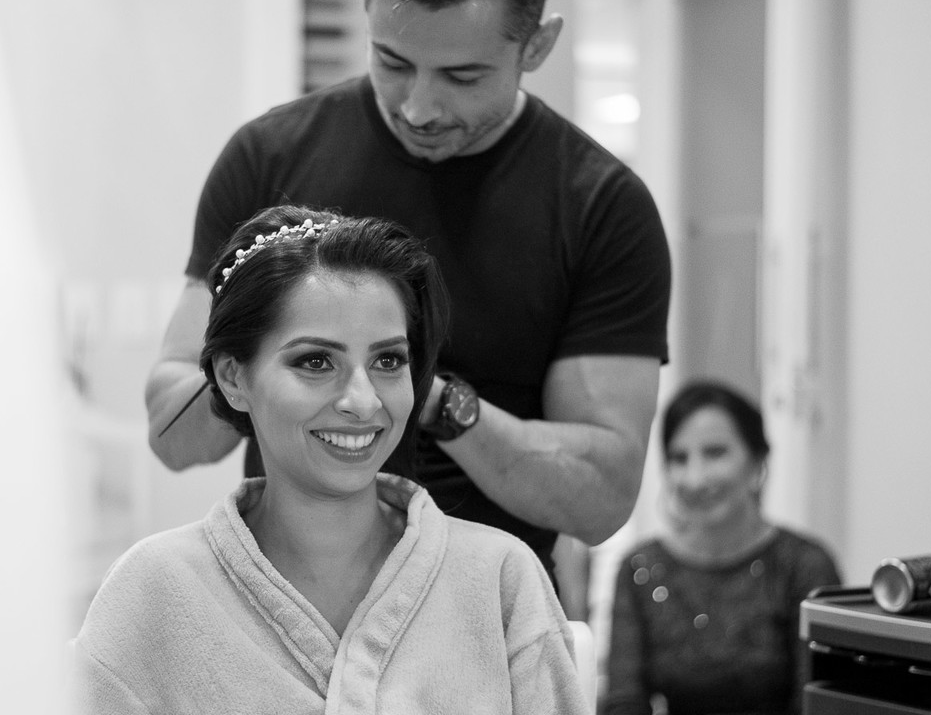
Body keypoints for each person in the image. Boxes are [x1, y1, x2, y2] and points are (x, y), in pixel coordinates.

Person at [144, 0, 671, 576]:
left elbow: (601, 499)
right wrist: (248, 362)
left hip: (481, 610)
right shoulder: (268, 159)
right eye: (393, 62)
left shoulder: (601, 207)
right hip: (280, 599)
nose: (419, 108)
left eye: (462, 75)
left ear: (536, 45)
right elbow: (172, 437)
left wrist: (428, 396)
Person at [77, 205, 590, 714]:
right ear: (234, 378)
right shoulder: (153, 592)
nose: (364, 401)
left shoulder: (499, 579)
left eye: (388, 361)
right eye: (316, 362)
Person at [602, 380, 843, 715]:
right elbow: (623, 702)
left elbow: (819, 701)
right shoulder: (640, 569)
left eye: (715, 453)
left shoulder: (805, 566)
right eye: (679, 458)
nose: (695, 478)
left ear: (757, 463)